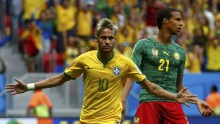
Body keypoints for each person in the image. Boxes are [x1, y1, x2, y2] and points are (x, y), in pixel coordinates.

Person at [6, 18, 197, 124]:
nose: (107, 41)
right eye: (103, 38)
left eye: (110, 38)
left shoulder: (125, 63)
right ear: (95, 38)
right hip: (87, 120)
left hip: (111, 120)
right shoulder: (84, 60)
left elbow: (151, 87)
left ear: (115, 40)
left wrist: (174, 97)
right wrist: (29, 86)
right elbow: (58, 79)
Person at [122, 8, 213, 124]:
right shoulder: (143, 45)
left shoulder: (180, 52)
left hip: (173, 103)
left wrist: (197, 101)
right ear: (165, 21)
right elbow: (131, 74)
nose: (181, 24)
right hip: (149, 102)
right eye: (177, 20)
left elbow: (178, 85)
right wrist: (123, 99)